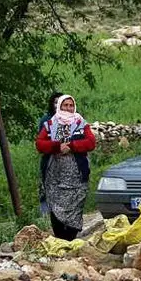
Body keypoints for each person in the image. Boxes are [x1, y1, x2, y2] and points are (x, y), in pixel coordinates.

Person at [35, 94, 96, 240]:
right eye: (65, 105)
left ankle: (70, 237)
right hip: (55, 177)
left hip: (77, 176)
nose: (68, 108)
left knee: (76, 204)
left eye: (70, 105)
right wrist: (57, 146)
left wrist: (73, 146)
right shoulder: (51, 124)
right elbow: (40, 144)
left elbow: (91, 142)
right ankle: (59, 237)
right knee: (55, 205)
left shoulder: (80, 123)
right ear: (59, 106)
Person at [37, 90, 64, 216]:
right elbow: (41, 143)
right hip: (49, 159)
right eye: (55, 102)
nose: (57, 105)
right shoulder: (46, 120)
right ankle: (46, 216)